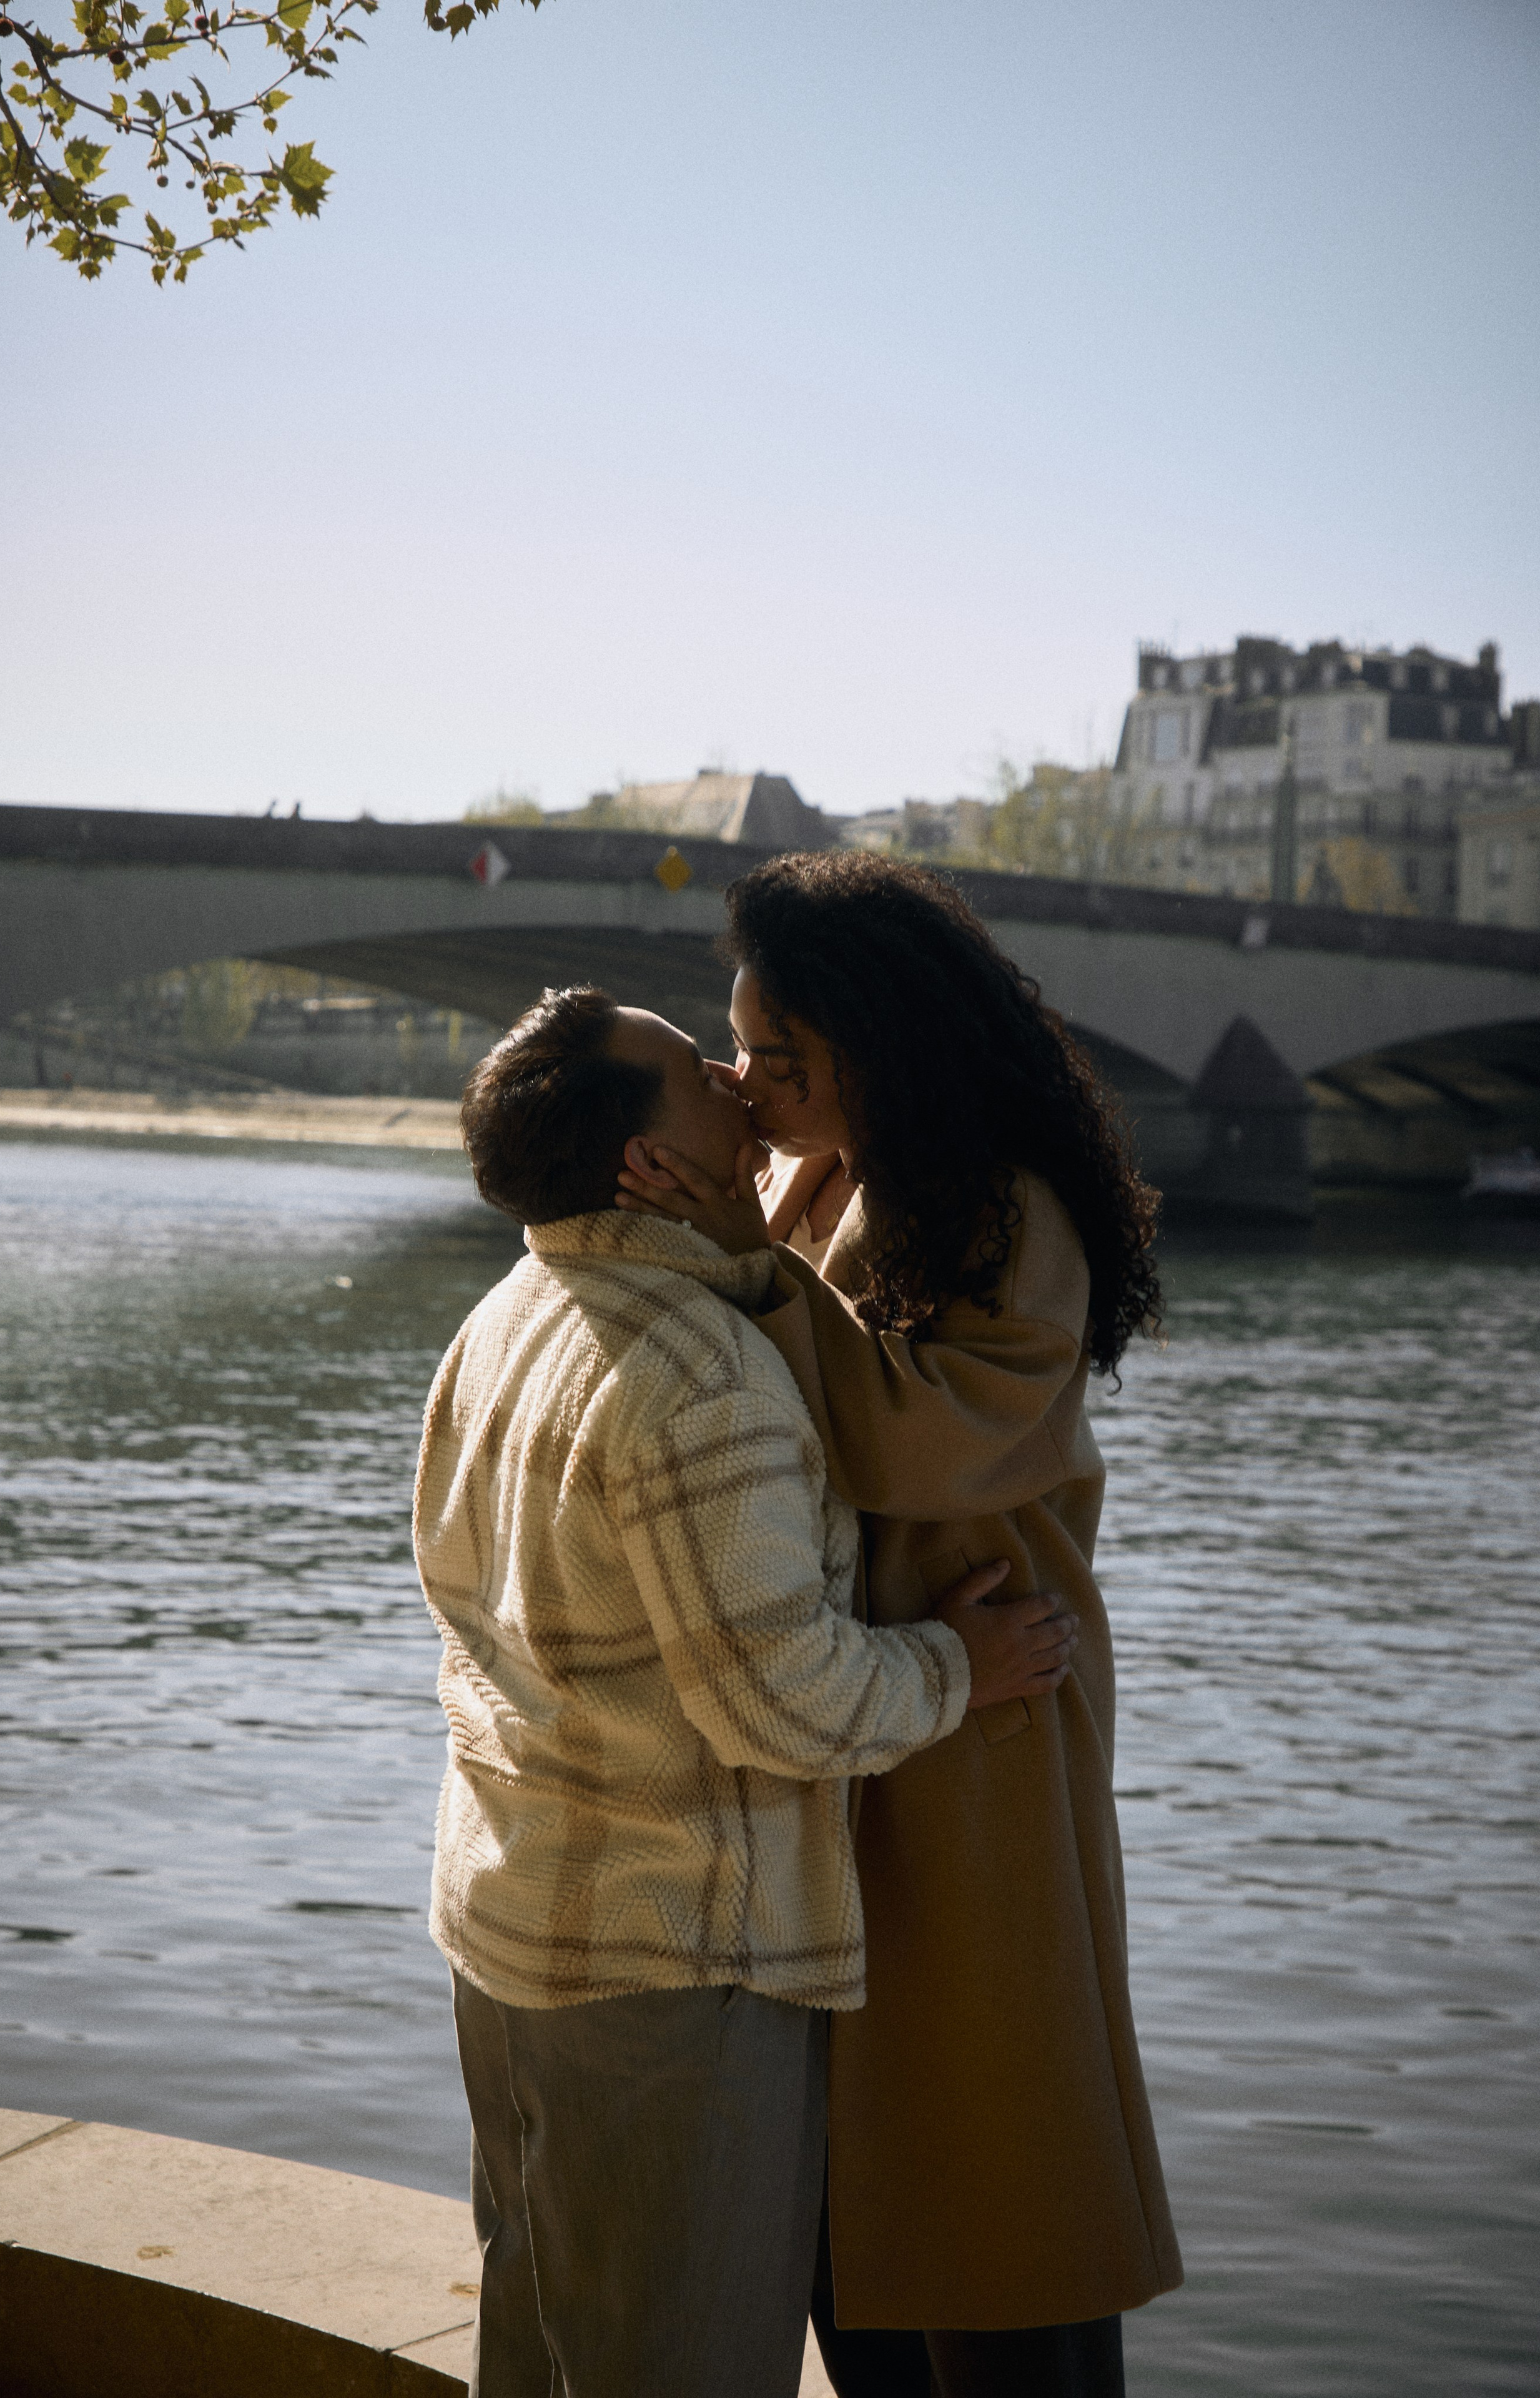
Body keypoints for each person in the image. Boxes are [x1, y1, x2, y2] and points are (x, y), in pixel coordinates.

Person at [415, 982, 1079, 2398]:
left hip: (510, 1918)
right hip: (672, 1969)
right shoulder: (702, 1376)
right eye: (695, 1069)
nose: (732, 1077)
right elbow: (782, 1702)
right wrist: (962, 1665)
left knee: (537, 2344)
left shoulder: (508, 1317)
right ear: (648, 1162)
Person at [616, 852, 1184, 2398]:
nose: (746, 1081)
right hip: (891, 1697)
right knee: (871, 2118)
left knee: (990, 2113)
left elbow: (912, 1445)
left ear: (881, 1046)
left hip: (986, 1715)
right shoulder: (831, 1171)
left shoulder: (1005, 1204)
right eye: (740, 1046)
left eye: (780, 1058)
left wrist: (744, 1255)